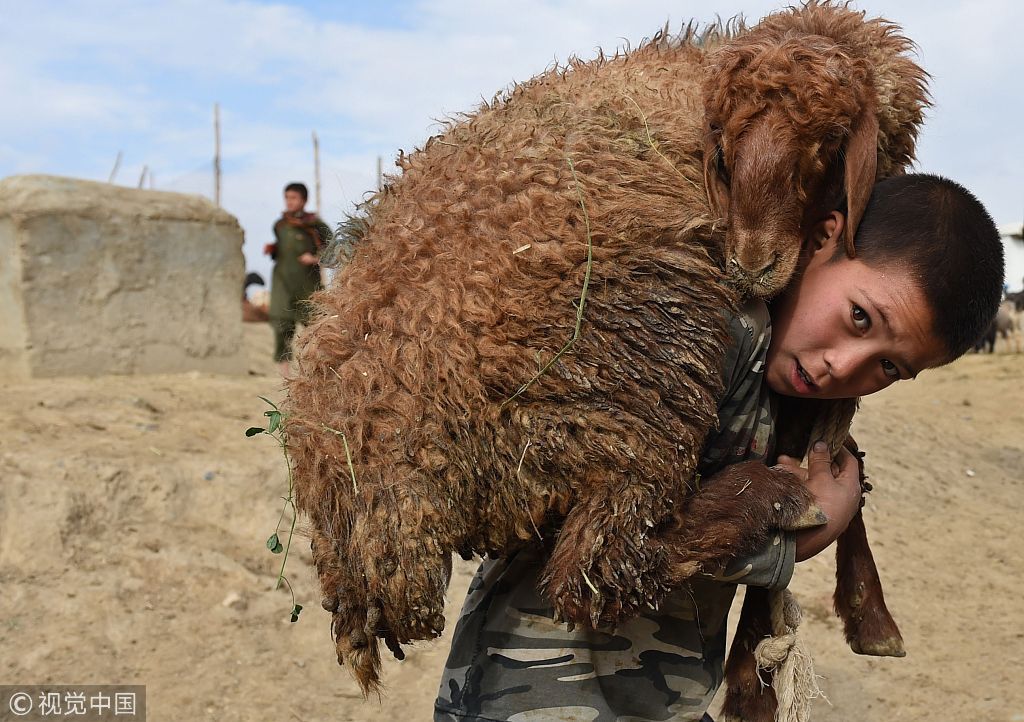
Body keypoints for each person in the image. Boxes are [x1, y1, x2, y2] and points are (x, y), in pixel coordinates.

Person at [433, 173, 1005, 722]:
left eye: (887, 365)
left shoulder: (787, 390)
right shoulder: (698, 332)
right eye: (859, 317)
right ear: (823, 237)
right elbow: (596, 535)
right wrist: (802, 536)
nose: (843, 366)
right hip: (531, 693)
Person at [266, 182, 331, 375]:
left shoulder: (316, 225)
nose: (289, 202)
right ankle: (285, 376)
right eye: (287, 197)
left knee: (316, 329)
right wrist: (274, 249)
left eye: (293, 198)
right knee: (281, 328)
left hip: (308, 287)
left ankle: (317, 372)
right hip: (282, 285)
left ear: (304, 200)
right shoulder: (280, 225)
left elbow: (333, 248)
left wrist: (315, 258)